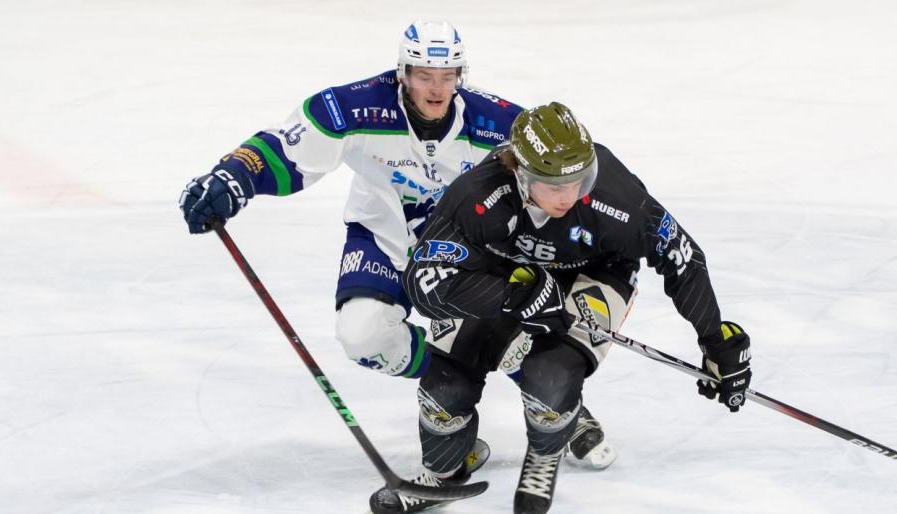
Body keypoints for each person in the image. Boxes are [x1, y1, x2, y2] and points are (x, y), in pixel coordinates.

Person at [177, 24, 618, 483]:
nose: (437, 88)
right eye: (425, 75)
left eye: (448, 76)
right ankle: (450, 387)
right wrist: (230, 178)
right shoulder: (357, 106)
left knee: (509, 330)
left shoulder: (497, 122)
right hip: (384, 240)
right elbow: (285, 150)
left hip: (470, 252)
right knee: (363, 335)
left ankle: (552, 400)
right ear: (403, 72)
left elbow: (560, 176)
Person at [373, 102, 752, 514]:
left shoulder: (614, 195)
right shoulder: (478, 195)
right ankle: (442, 474)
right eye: (553, 186)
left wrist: (715, 337)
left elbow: (680, 255)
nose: (569, 197)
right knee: (445, 395)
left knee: (550, 383)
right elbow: (424, 283)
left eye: (578, 180)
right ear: (519, 172)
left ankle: (546, 447)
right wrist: (510, 295)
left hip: (594, 274)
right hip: (508, 276)